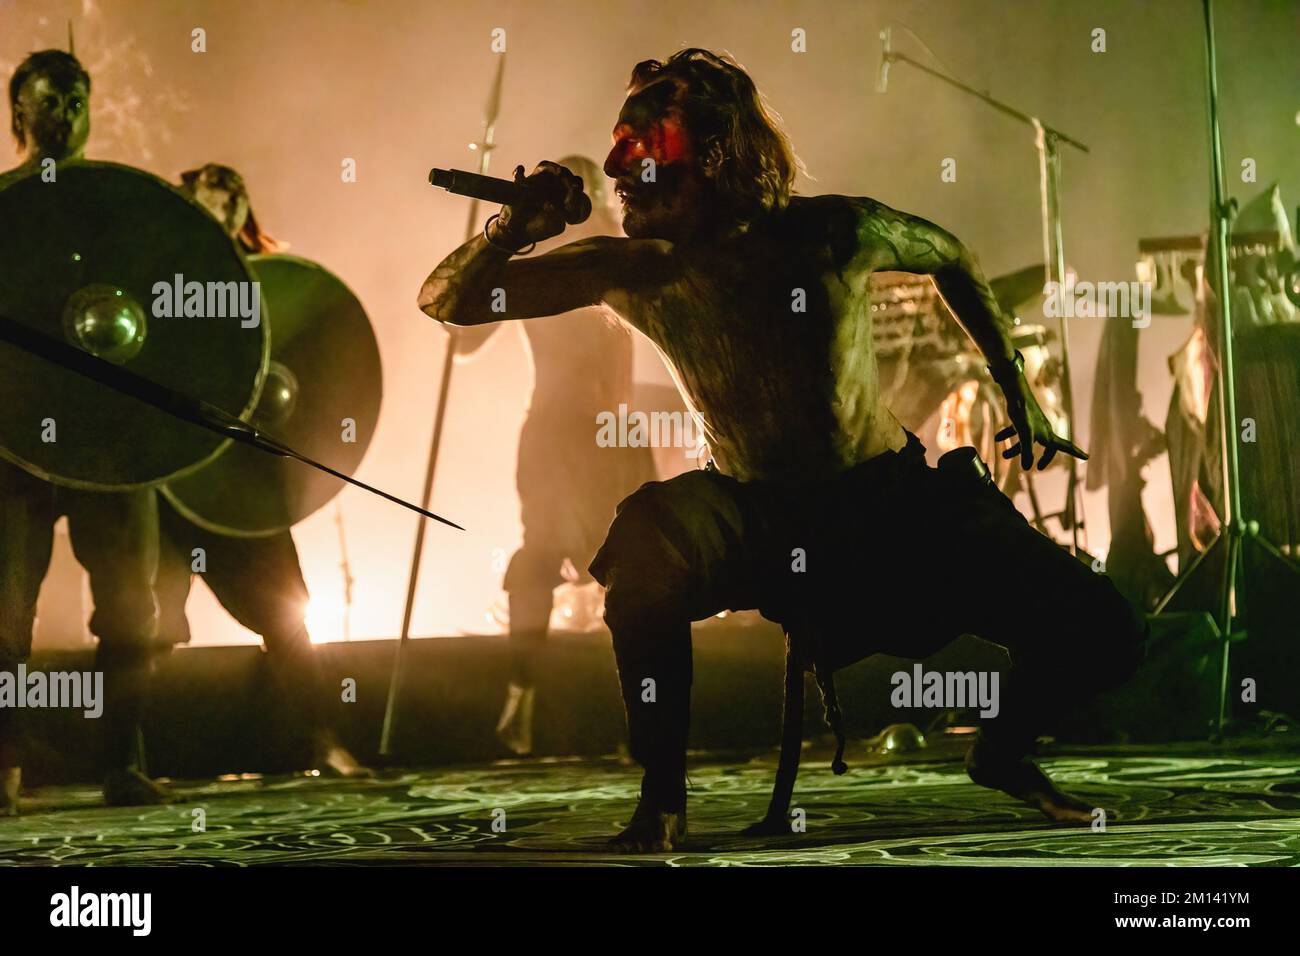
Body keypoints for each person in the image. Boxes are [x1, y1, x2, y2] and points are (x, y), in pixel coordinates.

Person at [420, 49, 1147, 851]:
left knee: (1108, 630)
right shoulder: (634, 269)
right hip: (754, 515)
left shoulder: (836, 232)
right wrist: (511, 230)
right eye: (618, 146)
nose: (621, 169)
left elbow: (952, 256)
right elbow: (447, 300)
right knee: (645, 558)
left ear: (716, 154)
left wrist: (1016, 384)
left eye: (641, 146)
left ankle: (1001, 750)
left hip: (892, 505)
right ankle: (662, 802)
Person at [0, 50, 176, 812]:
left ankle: (122, 762)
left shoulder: (124, 207)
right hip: (13, 447)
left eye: (77, 99)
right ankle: (2, 769)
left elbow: (165, 308)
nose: (65, 114)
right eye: (50, 101)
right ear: (18, 115)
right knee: (4, 616)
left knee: (134, 612)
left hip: (111, 445)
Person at [153, 162, 369, 777]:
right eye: (205, 208)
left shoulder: (265, 291)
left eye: (229, 208)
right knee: (147, 622)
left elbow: (305, 376)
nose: (218, 220)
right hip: (171, 482)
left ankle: (318, 740)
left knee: (287, 613)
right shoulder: (155, 284)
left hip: (245, 488)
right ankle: (136, 757)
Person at [452, 155, 656, 756]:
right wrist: (496, 241)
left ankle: (641, 719)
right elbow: (463, 337)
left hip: (615, 438)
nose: (585, 202)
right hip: (553, 435)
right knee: (539, 557)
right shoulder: (538, 268)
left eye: (592, 190)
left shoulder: (629, 256)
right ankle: (522, 693)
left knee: (637, 567)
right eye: (572, 193)